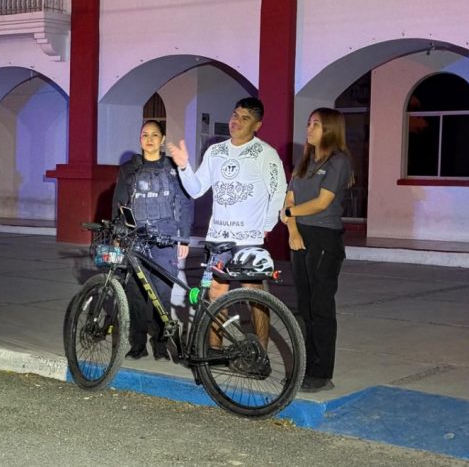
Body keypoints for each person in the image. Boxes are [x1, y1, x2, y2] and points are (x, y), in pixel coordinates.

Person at [166, 97, 287, 347]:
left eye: (245, 118)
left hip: (248, 238)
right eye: (235, 115)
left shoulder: (266, 154)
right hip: (218, 238)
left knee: (254, 294)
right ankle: (214, 349)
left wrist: (266, 226)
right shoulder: (215, 151)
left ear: (257, 125)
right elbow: (197, 190)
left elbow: (278, 191)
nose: (236, 121)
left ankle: (260, 351)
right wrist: (184, 167)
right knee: (216, 292)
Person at [280, 107, 353, 393]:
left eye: (316, 124)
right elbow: (289, 200)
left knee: (320, 307)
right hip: (299, 236)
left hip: (324, 238)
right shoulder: (305, 162)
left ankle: (321, 373)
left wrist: (289, 213)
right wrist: (293, 230)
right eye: (309, 123)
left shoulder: (339, 162)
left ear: (330, 129)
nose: (309, 128)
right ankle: (306, 368)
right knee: (304, 307)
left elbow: (322, 203)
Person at [111, 120, 193, 360]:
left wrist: (184, 238)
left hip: (165, 239)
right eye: (145, 134)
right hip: (136, 238)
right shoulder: (129, 168)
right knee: (135, 293)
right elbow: (119, 202)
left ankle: (160, 345)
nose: (149, 139)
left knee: (162, 293)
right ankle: (137, 345)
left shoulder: (172, 167)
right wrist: (118, 234)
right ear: (140, 139)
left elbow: (185, 202)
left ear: (162, 139)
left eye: (154, 135)